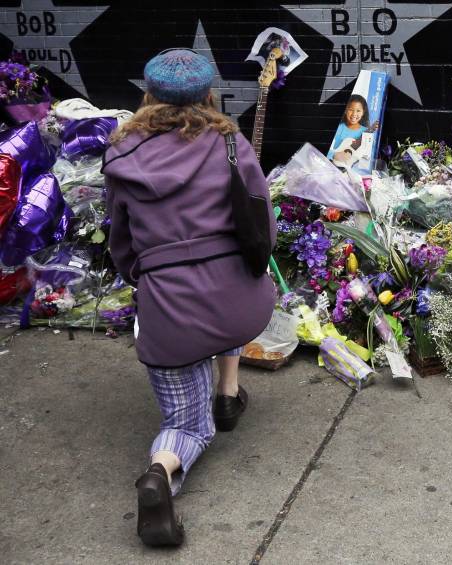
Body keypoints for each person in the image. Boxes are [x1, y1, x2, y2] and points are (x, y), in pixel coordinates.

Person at [102, 48, 276, 547]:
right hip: (240, 305)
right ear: (208, 94)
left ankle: (159, 474)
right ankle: (228, 393)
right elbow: (261, 222)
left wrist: (149, 278)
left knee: (185, 426)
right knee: (231, 292)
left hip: (170, 314)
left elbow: (122, 242)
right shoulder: (229, 142)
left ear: (149, 95)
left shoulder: (121, 153)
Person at [327, 94, 377, 167]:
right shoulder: (339, 128)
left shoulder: (366, 132)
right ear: (345, 110)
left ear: (363, 112)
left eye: (358, 111)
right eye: (351, 110)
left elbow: (367, 158)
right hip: (334, 165)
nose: (354, 114)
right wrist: (334, 154)